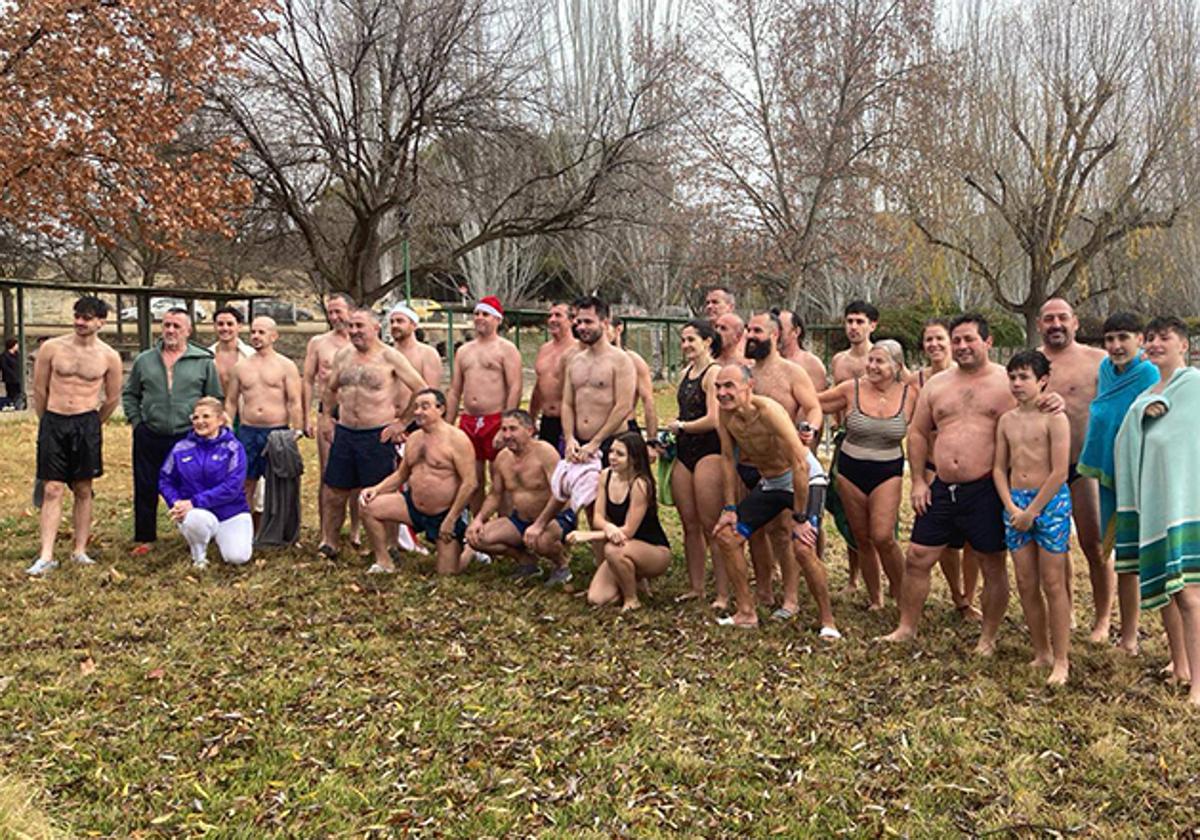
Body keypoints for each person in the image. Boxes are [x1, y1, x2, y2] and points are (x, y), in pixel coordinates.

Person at [880, 314, 1062, 653]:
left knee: (991, 563)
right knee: (918, 557)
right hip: (941, 486)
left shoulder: (1007, 382)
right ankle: (906, 627)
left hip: (987, 488)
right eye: (957, 340)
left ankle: (987, 637)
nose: (962, 346)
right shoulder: (937, 385)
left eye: (970, 339)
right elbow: (918, 432)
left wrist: (1055, 400)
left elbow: (1039, 406)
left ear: (988, 342)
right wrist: (918, 481)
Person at [711, 364, 837, 635]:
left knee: (803, 547)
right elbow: (727, 458)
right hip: (771, 483)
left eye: (729, 386)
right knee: (727, 537)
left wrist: (800, 518)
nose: (722, 393)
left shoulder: (769, 411)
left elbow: (800, 464)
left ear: (749, 386)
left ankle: (828, 622)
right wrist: (730, 507)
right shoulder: (726, 414)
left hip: (805, 478)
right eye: (718, 387)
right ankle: (746, 612)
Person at [1115, 316, 1200, 702]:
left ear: (1184, 345)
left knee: (1191, 595)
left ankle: (1198, 683)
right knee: (1169, 589)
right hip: (1156, 503)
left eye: (1164, 338)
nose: (1155, 344)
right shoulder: (1146, 396)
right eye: (1150, 339)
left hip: (1189, 502)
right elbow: (1124, 442)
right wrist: (1139, 415)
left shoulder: (1194, 386)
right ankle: (1180, 665)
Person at [1078, 312, 1158, 654]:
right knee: (1124, 557)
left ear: (1140, 339)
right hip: (1113, 475)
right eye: (1109, 339)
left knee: (1157, 557)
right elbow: (1105, 412)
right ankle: (1128, 636)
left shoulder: (1150, 373)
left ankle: (1180, 650)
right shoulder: (1105, 369)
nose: (1115, 345)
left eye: (1123, 337)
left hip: (1145, 477)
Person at [26, 296, 123, 576]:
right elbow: (40, 388)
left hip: (86, 423)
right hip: (54, 420)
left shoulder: (109, 356)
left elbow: (112, 398)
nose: (80, 322)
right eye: (77, 316)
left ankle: (80, 550)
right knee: (52, 488)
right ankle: (46, 555)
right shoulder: (52, 348)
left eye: (87, 318)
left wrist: (93, 424)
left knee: (83, 488)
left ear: (100, 322)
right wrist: (47, 420)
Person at [815, 340, 914, 609]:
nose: (872, 366)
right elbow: (814, 402)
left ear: (897, 366)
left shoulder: (910, 394)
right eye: (870, 360)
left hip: (888, 471)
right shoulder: (852, 389)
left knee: (883, 536)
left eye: (879, 361)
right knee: (862, 537)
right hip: (850, 470)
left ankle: (903, 595)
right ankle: (875, 598)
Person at [319, 308, 426, 557]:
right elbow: (330, 389)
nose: (354, 331)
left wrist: (402, 423)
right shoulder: (343, 355)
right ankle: (329, 543)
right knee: (334, 492)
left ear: (376, 328)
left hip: (377, 435)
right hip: (345, 433)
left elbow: (421, 389)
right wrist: (326, 418)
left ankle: (389, 545)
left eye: (360, 326)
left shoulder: (391, 357)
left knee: (380, 494)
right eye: (351, 326)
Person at [994, 350, 1073, 685]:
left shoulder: (1055, 418)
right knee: (1026, 582)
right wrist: (1013, 508)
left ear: (1042, 381)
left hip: (1049, 503)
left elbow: (1059, 471)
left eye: (1024, 377)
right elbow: (999, 469)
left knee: (1053, 583)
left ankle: (1062, 659)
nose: (1017, 383)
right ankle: (1041, 651)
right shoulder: (1006, 421)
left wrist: (1033, 511)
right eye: (1012, 377)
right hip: (1016, 502)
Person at [1037, 298, 1111, 643]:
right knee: (1055, 546)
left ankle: (1103, 618)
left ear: (1075, 322)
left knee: (1094, 544)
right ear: (1039, 324)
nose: (1056, 324)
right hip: (1044, 468)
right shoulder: (1032, 362)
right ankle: (1064, 612)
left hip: (1085, 466)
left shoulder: (1099, 361)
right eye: (1049, 319)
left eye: (1062, 318)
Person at [122, 308, 222, 550]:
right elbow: (130, 394)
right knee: (146, 486)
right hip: (150, 432)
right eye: (166, 325)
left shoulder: (203, 361)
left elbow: (213, 398)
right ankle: (145, 538)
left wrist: (205, 428)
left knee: (190, 486)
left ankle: (196, 536)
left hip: (187, 435)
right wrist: (137, 422)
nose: (170, 330)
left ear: (188, 331)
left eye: (177, 326)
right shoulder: (145, 360)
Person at [743, 311, 822, 618]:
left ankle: (791, 598)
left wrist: (810, 429)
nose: (750, 336)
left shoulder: (792, 372)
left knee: (784, 531)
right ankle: (763, 589)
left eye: (757, 331)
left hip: (784, 466)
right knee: (754, 530)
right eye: (748, 330)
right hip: (749, 462)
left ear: (774, 336)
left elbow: (813, 407)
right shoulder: (744, 374)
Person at [359, 389, 477, 575]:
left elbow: (470, 483)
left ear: (441, 409)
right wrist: (377, 489)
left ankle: (470, 549)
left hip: (444, 513)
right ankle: (384, 562)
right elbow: (401, 474)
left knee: (447, 573)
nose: (418, 412)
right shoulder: (414, 438)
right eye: (416, 407)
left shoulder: (457, 440)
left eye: (425, 407)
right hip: (412, 506)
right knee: (368, 506)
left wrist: (451, 518)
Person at [912, 318, 979, 620]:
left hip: (974, 470)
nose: (934, 345)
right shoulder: (916, 380)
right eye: (929, 339)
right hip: (932, 465)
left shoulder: (970, 376)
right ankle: (957, 595)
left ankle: (971, 596)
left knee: (973, 540)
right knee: (944, 539)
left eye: (940, 338)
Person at [467, 410, 575, 581]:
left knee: (542, 541)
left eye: (513, 429)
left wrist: (540, 524)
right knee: (477, 539)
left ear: (529, 430)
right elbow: (495, 495)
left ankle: (561, 564)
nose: (507, 435)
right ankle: (526, 561)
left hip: (555, 517)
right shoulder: (503, 458)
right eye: (504, 429)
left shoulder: (545, 453)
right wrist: (479, 519)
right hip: (522, 519)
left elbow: (560, 493)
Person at [569, 432, 671, 610]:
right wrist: (608, 527)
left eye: (620, 454)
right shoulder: (606, 475)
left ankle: (632, 599)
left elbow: (628, 531)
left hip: (654, 550)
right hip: (622, 544)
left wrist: (588, 536)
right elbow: (598, 517)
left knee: (613, 550)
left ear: (634, 459)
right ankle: (633, 580)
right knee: (597, 599)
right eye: (611, 452)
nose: (612, 457)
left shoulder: (640, 484)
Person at [666, 320, 726, 604]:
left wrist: (681, 426)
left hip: (708, 451)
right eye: (683, 340)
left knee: (711, 525)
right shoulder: (685, 373)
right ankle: (696, 586)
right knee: (689, 523)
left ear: (708, 342)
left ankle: (723, 592)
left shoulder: (714, 374)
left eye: (691, 339)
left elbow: (714, 419)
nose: (686, 345)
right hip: (684, 452)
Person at [446, 295, 523, 513]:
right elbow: (454, 391)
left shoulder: (506, 349)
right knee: (472, 478)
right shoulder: (464, 351)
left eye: (485, 314)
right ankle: (477, 524)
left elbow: (515, 387)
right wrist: (447, 426)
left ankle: (503, 523)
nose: (480, 318)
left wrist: (506, 425)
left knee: (501, 477)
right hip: (469, 421)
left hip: (495, 419)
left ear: (497, 319)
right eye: (477, 314)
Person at [224, 316, 303, 519]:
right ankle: (244, 526)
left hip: (277, 432)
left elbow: (295, 401)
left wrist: (297, 430)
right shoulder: (241, 367)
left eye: (261, 332)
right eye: (253, 332)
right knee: (245, 482)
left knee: (279, 484)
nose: (256, 336)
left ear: (274, 336)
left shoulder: (286, 365)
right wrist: (228, 428)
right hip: (248, 431)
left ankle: (280, 529)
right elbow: (231, 401)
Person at [159, 397, 252, 568]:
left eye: (206, 416)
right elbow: (165, 480)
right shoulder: (181, 447)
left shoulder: (233, 447)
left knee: (238, 557)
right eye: (195, 417)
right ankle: (199, 555)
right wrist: (177, 502)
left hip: (231, 511)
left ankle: (219, 535)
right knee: (196, 519)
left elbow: (232, 486)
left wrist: (195, 501)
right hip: (196, 512)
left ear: (220, 420)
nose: (200, 421)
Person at [828, 300, 879, 592]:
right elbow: (835, 399)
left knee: (879, 518)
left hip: (876, 443)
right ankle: (853, 577)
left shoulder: (882, 356)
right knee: (847, 511)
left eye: (860, 321)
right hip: (845, 440)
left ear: (873, 325)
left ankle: (884, 576)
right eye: (849, 321)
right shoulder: (839, 360)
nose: (854, 327)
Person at [303, 292, 357, 544]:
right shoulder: (318, 342)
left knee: (358, 475)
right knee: (328, 473)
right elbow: (307, 379)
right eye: (330, 312)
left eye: (339, 311)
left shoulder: (363, 341)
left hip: (356, 413)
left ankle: (356, 530)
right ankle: (326, 532)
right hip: (328, 413)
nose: (334, 317)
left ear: (351, 311)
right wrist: (306, 416)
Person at [562, 296, 637, 468]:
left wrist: (596, 442)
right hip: (579, 445)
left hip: (611, 443)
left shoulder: (621, 360)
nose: (582, 327)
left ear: (604, 323)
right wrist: (569, 438)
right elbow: (567, 403)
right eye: (579, 322)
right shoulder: (574, 360)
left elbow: (624, 406)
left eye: (588, 322)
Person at [529, 302, 579, 452]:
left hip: (571, 422)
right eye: (550, 316)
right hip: (547, 420)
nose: (552, 319)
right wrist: (531, 418)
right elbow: (539, 387)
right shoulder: (544, 349)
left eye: (558, 315)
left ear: (572, 320)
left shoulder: (579, 350)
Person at [610, 315, 657, 441]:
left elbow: (648, 401)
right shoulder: (588, 360)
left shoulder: (634, 361)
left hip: (625, 429)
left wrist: (652, 440)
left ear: (618, 329)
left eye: (606, 326)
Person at [388, 303, 442, 406]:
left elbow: (431, 394)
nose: (394, 325)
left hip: (416, 414)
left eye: (400, 321)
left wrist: (408, 415)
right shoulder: (386, 354)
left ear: (414, 325)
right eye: (392, 322)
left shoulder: (427, 354)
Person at [778, 310, 828, 392]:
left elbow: (819, 398)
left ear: (796, 332)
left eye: (780, 329)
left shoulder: (811, 364)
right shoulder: (765, 362)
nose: (776, 334)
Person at [209, 306, 253, 396]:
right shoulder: (206, 356)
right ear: (214, 326)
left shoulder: (251, 355)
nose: (225, 328)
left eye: (230, 324)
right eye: (220, 324)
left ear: (239, 326)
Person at [1, 337, 22, 409]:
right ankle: (10, 404)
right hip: (9, 378)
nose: (17, 346)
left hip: (18, 378)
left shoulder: (17, 355)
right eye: (16, 345)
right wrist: (12, 374)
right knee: (11, 393)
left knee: (18, 393)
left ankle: (18, 405)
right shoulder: (4, 355)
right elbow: (4, 366)